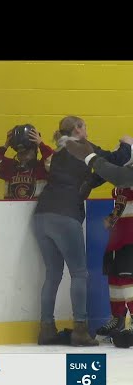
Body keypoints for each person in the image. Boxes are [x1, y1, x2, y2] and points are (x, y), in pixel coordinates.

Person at [33, 115, 132, 347]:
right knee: (79, 273)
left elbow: (89, 178)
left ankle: (46, 329)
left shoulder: (59, 152)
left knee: (52, 274)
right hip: (66, 215)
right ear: (77, 129)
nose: (87, 129)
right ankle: (80, 329)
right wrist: (127, 144)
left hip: (42, 215)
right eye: (84, 125)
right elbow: (114, 161)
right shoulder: (83, 147)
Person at [65, 138, 133, 348]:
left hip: (130, 238)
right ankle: (118, 318)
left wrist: (91, 155)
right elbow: (122, 204)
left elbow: (112, 172)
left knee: (128, 280)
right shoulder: (123, 181)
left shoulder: (127, 176)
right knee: (114, 279)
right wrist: (112, 217)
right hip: (118, 237)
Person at [0, 124, 53, 199]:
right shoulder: (10, 167)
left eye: (26, 153)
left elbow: (55, 163)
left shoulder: (42, 167)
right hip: (11, 209)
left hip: (37, 209)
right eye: (20, 153)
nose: (23, 157)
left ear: (35, 150)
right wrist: (5, 146)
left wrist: (41, 144)